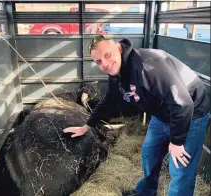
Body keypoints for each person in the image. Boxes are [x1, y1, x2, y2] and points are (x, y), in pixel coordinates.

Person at [63, 35, 210, 196]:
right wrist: (86, 126)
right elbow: (109, 100)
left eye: (107, 55)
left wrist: (176, 141)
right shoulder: (116, 72)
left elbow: (183, 103)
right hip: (162, 113)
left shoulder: (147, 66)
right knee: (149, 153)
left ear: (118, 48)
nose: (104, 63)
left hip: (191, 113)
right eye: (98, 61)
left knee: (180, 169)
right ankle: (146, 192)